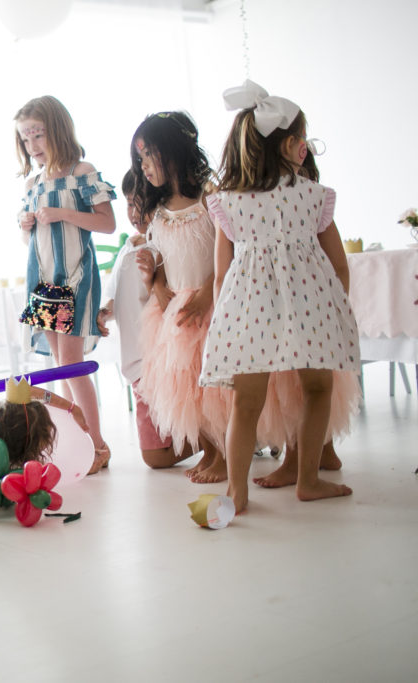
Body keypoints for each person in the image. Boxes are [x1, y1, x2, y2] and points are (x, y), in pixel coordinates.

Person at [201, 80, 359, 513]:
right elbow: (339, 263)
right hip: (311, 305)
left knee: (245, 403)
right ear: (293, 145)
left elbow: (220, 274)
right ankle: (308, 479)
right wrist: (335, 305)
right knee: (318, 387)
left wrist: (225, 321)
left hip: (248, 307)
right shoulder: (314, 196)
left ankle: (237, 493)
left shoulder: (227, 201)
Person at [13, 95, 117, 474]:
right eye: (26, 139)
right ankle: (75, 442)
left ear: (56, 131)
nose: (33, 146)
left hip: (75, 277)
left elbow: (107, 224)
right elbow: (34, 246)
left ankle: (98, 446)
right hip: (44, 282)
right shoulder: (33, 183)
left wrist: (60, 213)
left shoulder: (81, 172)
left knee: (71, 363)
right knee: (59, 364)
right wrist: (27, 227)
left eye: (37, 135)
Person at [130, 111, 230, 483]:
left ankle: (223, 452)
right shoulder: (157, 212)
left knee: (214, 387)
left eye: (147, 157)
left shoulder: (210, 198)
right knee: (184, 386)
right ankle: (208, 446)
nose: (143, 167)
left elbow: (228, 253)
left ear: (170, 152)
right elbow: (160, 263)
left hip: (211, 301)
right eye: (139, 160)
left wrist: (206, 294)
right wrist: (157, 288)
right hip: (174, 309)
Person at [97, 170, 196, 469]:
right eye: (129, 203)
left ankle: (220, 440)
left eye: (144, 204)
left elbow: (170, 300)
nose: (136, 212)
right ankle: (219, 440)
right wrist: (105, 314)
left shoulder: (163, 248)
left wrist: (155, 278)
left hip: (157, 364)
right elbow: (119, 299)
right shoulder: (128, 248)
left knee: (154, 457)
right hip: (135, 366)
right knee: (154, 455)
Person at [0, 377, 89, 473]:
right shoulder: (21, 478)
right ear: (28, 440)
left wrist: (73, 408)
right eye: (46, 429)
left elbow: (31, 391)